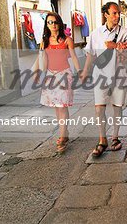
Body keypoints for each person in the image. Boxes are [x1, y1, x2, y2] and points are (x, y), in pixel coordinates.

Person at [80, 2, 127, 157]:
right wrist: (85, 71)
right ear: (105, 14)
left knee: (117, 107)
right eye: (113, 13)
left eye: (118, 13)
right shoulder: (96, 33)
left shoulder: (126, 33)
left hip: (120, 75)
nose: (117, 16)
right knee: (99, 108)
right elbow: (91, 54)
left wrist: (116, 45)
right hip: (100, 75)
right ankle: (102, 139)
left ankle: (115, 137)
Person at [36, 12, 81, 153]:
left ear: (59, 24)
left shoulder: (67, 40)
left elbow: (73, 57)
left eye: (55, 22)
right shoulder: (44, 41)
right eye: (49, 22)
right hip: (51, 75)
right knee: (57, 107)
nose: (53, 25)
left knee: (62, 106)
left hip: (64, 75)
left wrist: (80, 72)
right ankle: (65, 133)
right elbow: (43, 63)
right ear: (46, 25)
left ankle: (62, 136)